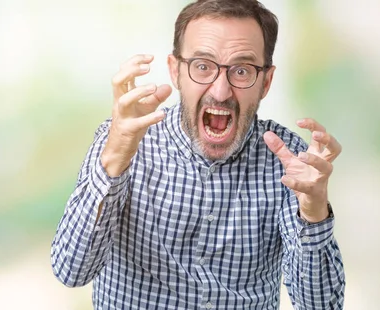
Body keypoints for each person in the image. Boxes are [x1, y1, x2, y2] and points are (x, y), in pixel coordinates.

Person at [50, 0, 345, 309]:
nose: (220, 91)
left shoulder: (288, 162)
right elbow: (71, 272)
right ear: (176, 71)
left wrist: (314, 214)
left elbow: (321, 306)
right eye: (202, 66)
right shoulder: (123, 140)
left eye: (242, 70)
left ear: (266, 82)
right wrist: (113, 162)